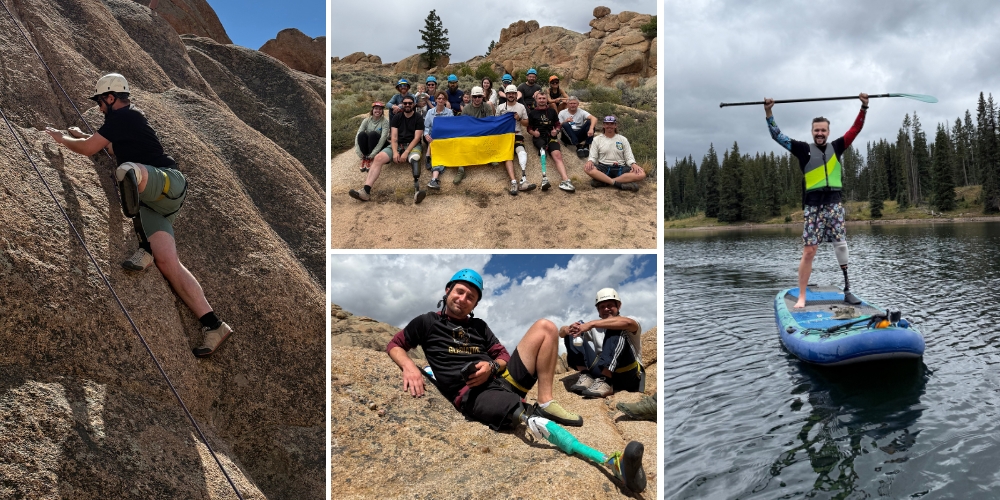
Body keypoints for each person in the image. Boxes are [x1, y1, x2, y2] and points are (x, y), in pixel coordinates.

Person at [386, 270, 647, 493]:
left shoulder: (479, 326)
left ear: (475, 304)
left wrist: (490, 367)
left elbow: (502, 355)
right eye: (460, 292)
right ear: (448, 291)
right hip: (473, 392)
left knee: (545, 326)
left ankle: (546, 399)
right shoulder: (426, 322)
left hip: (499, 378)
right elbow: (396, 344)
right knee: (524, 415)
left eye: (471, 297)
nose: (463, 299)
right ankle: (612, 462)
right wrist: (410, 367)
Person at [43, 73, 232, 358]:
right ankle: (213, 324)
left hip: (167, 181)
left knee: (128, 170)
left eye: (99, 101)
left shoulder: (126, 117)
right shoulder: (121, 123)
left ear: (110, 97)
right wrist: (82, 136)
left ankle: (144, 247)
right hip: (153, 202)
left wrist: (62, 138)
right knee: (169, 263)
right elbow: (105, 145)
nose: (98, 108)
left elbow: (88, 150)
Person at [765, 93, 869, 308]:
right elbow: (778, 136)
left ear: (828, 132)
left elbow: (855, 129)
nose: (820, 133)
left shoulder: (837, 146)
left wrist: (864, 107)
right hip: (813, 207)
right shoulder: (803, 150)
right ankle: (802, 296)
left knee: (840, 245)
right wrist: (769, 112)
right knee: (809, 251)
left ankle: (848, 290)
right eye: (816, 130)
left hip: (834, 203)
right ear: (812, 132)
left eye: (823, 130)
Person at [560, 288, 644, 399]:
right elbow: (561, 333)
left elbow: (627, 323)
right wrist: (567, 329)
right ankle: (586, 375)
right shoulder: (595, 328)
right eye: (602, 307)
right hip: (599, 375)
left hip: (629, 375)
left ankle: (606, 380)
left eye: (610, 305)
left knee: (616, 327)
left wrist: (592, 323)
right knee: (574, 331)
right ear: (598, 310)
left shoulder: (629, 320)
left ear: (618, 305)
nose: (606, 309)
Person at [349, 95, 427, 204]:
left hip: (412, 145)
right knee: (378, 158)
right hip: (398, 144)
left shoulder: (418, 117)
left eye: (410, 103)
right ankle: (366, 191)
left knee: (415, 158)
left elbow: (417, 138)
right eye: (405, 103)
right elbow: (394, 137)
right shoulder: (397, 118)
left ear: (413, 104)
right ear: (402, 105)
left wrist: (406, 152)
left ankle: (417, 191)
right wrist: (395, 152)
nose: (407, 105)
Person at [584, 116, 647, 191]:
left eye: (611, 124)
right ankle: (618, 183)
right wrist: (590, 161)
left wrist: (633, 164)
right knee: (587, 169)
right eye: (607, 124)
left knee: (641, 173)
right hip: (603, 167)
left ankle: (605, 181)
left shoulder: (623, 139)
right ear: (603, 125)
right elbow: (593, 156)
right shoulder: (597, 139)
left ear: (615, 125)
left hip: (620, 167)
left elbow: (628, 156)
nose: (609, 126)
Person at [527, 93, 575, 192]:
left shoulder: (552, 111)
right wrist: (533, 133)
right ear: (536, 100)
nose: (542, 100)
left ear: (546, 100)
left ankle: (566, 180)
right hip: (539, 137)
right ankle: (545, 179)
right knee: (543, 151)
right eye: (539, 98)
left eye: (544, 98)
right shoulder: (532, 113)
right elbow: (529, 128)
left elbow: (557, 124)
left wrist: (556, 131)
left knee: (557, 155)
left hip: (551, 136)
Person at [496, 84, 536, 195]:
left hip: (517, 134)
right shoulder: (500, 107)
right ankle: (514, 182)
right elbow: (496, 123)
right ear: (506, 95)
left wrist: (519, 119)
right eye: (509, 93)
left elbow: (526, 123)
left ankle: (523, 180)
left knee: (522, 152)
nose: (511, 95)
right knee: (508, 156)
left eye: (513, 93)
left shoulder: (521, 107)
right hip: (504, 136)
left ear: (516, 94)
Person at [423, 90, 453, 190]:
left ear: (445, 101)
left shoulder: (449, 113)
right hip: (431, 138)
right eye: (439, 98)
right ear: (435, 100)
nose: (441, 100)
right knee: (434, 140)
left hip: (444, 139)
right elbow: (426, 127)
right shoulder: (430, 112)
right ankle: (434, 179)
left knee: (439, 153)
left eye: (443, 99)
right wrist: (426, 135)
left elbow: (451, 128)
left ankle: (428, 158)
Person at [354, 101, 389, 173]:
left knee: (373, 134)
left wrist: (373, 153)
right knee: (362, 134)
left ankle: (370, 157)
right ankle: (365, 157)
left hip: (379, 143)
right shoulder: (366, 120)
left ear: (382, 111)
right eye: (376, 108)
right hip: (370, 143)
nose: (378, 111)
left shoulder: (384, 121)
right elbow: (358, 134)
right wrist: (358, 150)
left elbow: (383, 138)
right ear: (372, 110)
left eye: (380, 109)